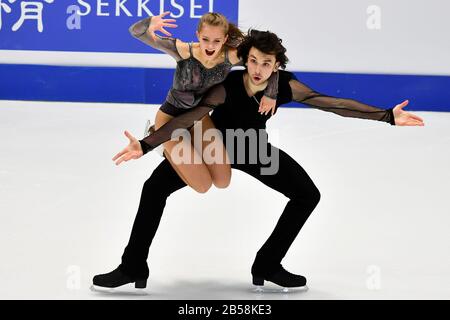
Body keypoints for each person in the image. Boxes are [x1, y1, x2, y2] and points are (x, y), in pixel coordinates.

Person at [93, 29, 424, 292]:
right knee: (154, 188)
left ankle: (267, 263)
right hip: (212, 148)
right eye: (253, 61)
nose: (258, 68)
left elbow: (329, 102)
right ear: (246, 60)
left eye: (267, 64)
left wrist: (386, 117)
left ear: (276, 65)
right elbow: (192, 115)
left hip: (251, 148)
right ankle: (133, 265)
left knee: (307, 195)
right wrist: (148, 144)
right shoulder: (228, 85)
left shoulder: (285, 85)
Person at [122, 12, 279, 193]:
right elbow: (135, 31)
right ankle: (160, 139)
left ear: (225, 39)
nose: (210, 46)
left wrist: (271, 93)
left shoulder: (231, 57)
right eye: (205, 39)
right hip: (170, 119)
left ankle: (185, 145)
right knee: (202, 185)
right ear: (198, 35)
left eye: (217, 41)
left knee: (222, 181)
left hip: (198, 118)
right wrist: (149, 22)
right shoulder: (182, 50)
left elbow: (269, 61)